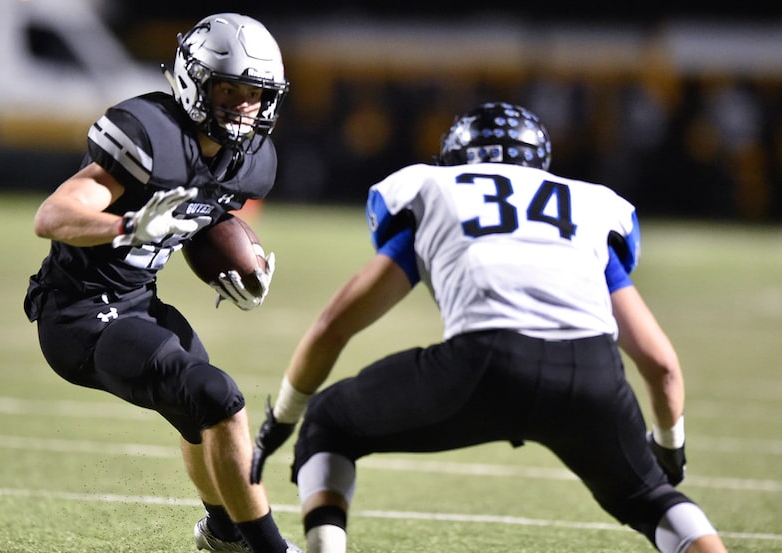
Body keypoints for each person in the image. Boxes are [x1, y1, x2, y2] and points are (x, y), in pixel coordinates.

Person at [250, 102, 729, 553]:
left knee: (330, 423)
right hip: (591, 375)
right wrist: (669, 447)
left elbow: (335, 325)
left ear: (457, 159)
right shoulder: (586, 208)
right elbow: (661, 364)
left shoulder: (436, 190)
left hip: (484, 363)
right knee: (650, 497)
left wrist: (284, 419)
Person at [24, 13, 302, 553]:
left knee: (199, 413)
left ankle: (222, 532)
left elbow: (210, 215)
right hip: (79, 316)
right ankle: (268, 548)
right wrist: (126, 225)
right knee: (218, 396)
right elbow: (53, 215)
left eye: (256, 93)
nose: (245, 105)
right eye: (230, 89)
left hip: (137, 302)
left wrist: (237, 271)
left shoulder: (250, 163)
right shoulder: (150, 133)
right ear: (196, 81)